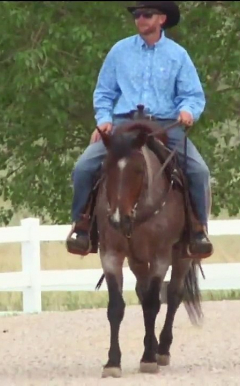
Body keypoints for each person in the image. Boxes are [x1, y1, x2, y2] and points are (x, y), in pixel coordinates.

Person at [66, 1, 213, 257]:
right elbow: (103, 92)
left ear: (161, 19)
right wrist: (103, 119)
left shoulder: (178, 55)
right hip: (124, 123)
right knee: (83, 167)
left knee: (199, 171)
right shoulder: (119, 51)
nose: (140, 19)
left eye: (146, 14)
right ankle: (83, 226)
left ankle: (198, 230)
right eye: (137, 14)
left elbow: (192, 94)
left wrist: (188, 111)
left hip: (165, 125)